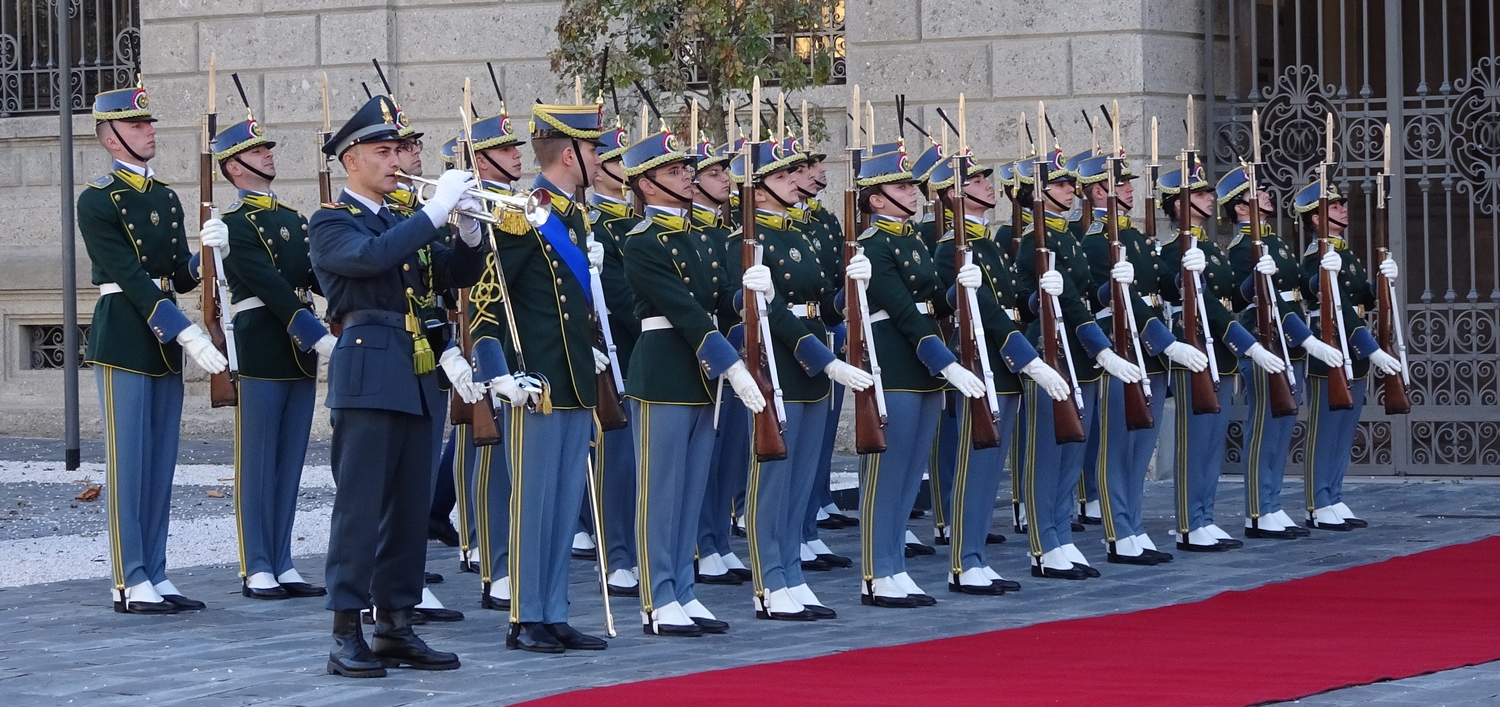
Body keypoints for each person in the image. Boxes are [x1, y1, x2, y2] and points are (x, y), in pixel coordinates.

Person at [310, 94, 487, 677]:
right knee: (361, 508)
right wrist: (434, 212)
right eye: (383, 152)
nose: (396, 161)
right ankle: (345, 631)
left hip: (417, 371)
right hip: (369, 369)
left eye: (399, 150)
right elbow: (370, 259)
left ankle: (395, 624)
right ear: (350, 159)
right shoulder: (331, 220)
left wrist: (467, 233)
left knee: (410, 509)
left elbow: (453, 274)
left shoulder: (397, 221)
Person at [79, 79, 228, 615]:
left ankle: (156, 572)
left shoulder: (164, 196)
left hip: (162, 338)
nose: (149, 132)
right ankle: (128, 577)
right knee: (129, 463)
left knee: (160, 463)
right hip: (125, 333)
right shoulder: (96, 200)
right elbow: (132, 278)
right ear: (110, 138)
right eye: (138, 125)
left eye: (149, 123)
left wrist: (206, 255)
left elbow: (174, 277)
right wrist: (185, 332)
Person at [475, 102, 610, 654]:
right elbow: (486, 302)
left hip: (574, 381)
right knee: (532, 505)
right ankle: (525, 615)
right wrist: (498, 375)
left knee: (562, 503)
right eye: (593, 148)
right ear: (569, 154)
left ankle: (554, 610)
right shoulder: (519, 215)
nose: (600, 158)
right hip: (537, 386)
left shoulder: (574, 217)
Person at [729, 140, 872, 620]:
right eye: (783, 175)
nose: (796, 181)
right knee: (773, 482)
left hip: (814, 358)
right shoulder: (745, 241)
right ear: (758, 189)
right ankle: (769, 581)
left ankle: (791, 572)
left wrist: (851, 291)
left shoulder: (801, 234)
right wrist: (823, 359)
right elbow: (770, 313)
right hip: (781, 361)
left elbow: (820, 303)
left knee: (801, 481)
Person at [619, 129, 749, 636]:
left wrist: (748, 298)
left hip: (702, 376)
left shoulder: (703, 236)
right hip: (664, 373)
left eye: (686, 169)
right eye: (674, 171)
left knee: (691, 491)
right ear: (646, 185)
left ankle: (684, 591)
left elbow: (718, 300)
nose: (687, 177)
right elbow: (684, 310)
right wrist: (731, 364)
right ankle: (657, 597)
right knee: (660, 491)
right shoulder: (642, 242)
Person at [930, 152, 1069, 594]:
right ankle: (963, 562)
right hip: (981, 364)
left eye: (986, 179)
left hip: (1003, 367)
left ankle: (976, 557)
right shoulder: (949, 249)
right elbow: (985, 313)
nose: (988, 185)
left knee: (990, 469)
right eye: (976, 181)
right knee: (974, 466)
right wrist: (1029, 359)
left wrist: (1041, 297)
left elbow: (1010, 306)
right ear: (954, 194)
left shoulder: (988, 244)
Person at [213, 107, 334, 600]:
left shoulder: (294, 219)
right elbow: (269, 285)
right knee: (258, 461)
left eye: (266, 148)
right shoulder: (233, 225)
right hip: (263, 342)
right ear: (234, 166)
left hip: (298, 352)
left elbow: (312, 278)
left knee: (289, 461)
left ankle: (282, 559)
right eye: (257, 150)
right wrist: (314, 331)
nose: (267, 154)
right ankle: (256, 564)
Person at [854, 148, 982, 606]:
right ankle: (875, 572)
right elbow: (904, 312)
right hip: (897, 363)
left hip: (924, 365)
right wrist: (945, 361)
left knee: (910, 475)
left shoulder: (910, 239)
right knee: (887, 475)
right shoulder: (873, 245)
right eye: (902, 186)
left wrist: (958, 289)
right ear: (877, 199)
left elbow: (930, 302)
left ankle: (895, 565)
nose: (913, 192)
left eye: (911, 185)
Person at [1012, 149, 1139, 579]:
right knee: (1047, 456)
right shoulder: (1034, 241)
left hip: (1078, 350)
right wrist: (1043, 298)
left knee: (1072, 452)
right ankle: (1042, 544)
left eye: (1071, 184)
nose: (1071, 190)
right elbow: (1029, 302)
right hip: (1050, 349)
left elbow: (1081, 296)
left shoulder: (1067, 237)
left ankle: (1062, 535)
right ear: (1040, 193)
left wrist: (1112, 289)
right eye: (1062, 185)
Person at [1076, 152, 1202, 564]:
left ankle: (1133, 524)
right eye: (1121, 183)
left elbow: (1158, 288)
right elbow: (1119, 302)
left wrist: (1186, 271)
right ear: (1099, 191)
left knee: (1141, 448)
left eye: (1130, 182)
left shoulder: (1137, 240)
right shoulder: (1095, 242)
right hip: (1123, 350)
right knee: (1118, 448)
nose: (1130, 189)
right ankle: (1118, 532)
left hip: (1151, 353)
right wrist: (1165, 342)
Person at [1154, 162, 1282, 552]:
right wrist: (1249, 345)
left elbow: (1232, 300)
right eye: (1200, 193)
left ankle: (1204, 517)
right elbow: (1203, 305)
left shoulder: (1212, 249)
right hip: (1194, 351)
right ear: (1179, 204)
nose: (1210, 198)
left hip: (1221, 353)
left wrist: (1257, 279)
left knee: (1212, 443)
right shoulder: (1172, 250)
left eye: (1209, 193)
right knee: (1195, 443)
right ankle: (1189, 523)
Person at [1220, 167, 1339, 539]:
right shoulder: (1242, 248)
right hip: (1264, 340)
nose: (1267, 196)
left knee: (1282, 427)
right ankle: (1257, 510)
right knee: (1264, 428)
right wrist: (1254, 278)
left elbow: (1298, 289)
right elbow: (1245, 298)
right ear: (1241, 208)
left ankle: (1272, 503)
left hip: (1290, 341)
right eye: (1257, 194)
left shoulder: (1278, 243)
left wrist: (1324, 270)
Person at [1294, 180, 1403, 530]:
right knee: (1324, 430)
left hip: (1353, 349)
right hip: (1328, 349)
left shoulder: (1347, 255)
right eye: (1335, 206)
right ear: (1316, 218)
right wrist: (1372, 350)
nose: (1343, 210)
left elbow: (1363, 302)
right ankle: (1316, 502)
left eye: (1342, 205)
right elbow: (1324, 298)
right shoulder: (1315, 257)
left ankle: (1334, 495)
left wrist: (1381, 280)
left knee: (1344, 429)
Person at [693, 139, 753, 586]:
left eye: (724, 172)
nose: (725, 180)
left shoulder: (727, 235)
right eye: (714, 174)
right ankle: (700, 543)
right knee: (703, 460)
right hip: (703, 353)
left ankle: (718, 539)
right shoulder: (687, 235)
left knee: (729, 455)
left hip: (733, 351)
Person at [588, 119, 641, 593]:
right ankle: (617, 551)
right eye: (617, 161)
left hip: (646, 349)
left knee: (642, 460)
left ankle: (637, 547)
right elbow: (622, 298)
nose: (626, 169)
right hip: (620, 347)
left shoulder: (636, 224)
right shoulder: (597, 226)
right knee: (618, 458)